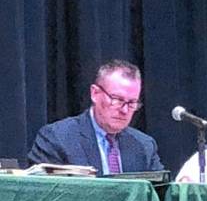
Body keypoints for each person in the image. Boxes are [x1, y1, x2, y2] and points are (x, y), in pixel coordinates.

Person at [28, 59, 164, 175]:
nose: (124, 110)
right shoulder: (57, 138)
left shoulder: (144, 146)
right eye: (117, 99)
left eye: (132, 102)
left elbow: (160, 197)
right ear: (95, 93)